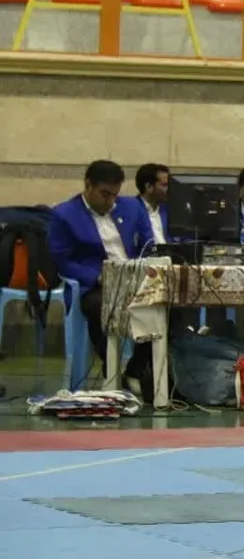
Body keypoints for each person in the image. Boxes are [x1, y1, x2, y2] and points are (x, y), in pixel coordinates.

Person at [48, 160, 156, 388]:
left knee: (166, 304)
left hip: (134, 277)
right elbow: (62, 261)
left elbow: (149, 246)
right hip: (94, 284)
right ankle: (111, 367)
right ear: (88, 185)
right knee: (99, 307)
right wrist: (96, 277)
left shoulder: (132, 208)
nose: (110, 201)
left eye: (115, 195)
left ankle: (136, 370)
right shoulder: (64, 215)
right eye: (104, 194)